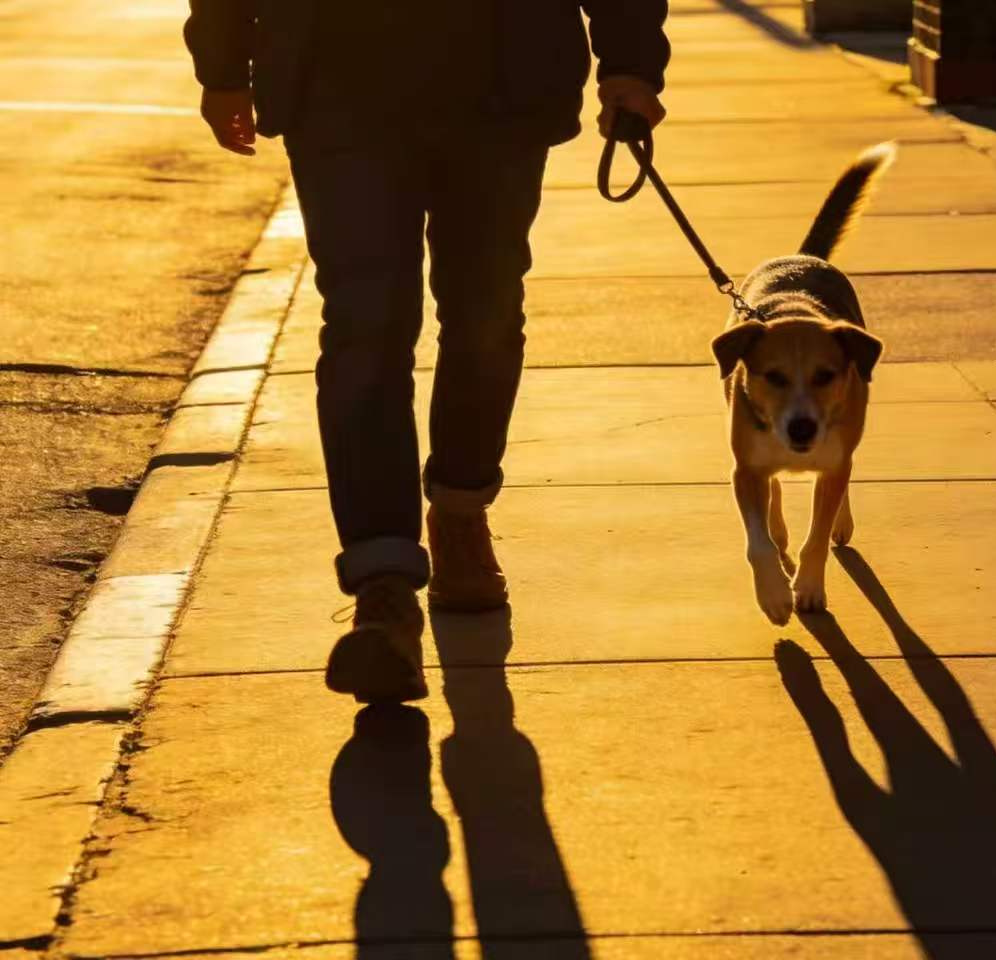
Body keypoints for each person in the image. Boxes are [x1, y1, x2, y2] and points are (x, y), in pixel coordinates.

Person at [185, 1, 670, 703]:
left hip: (502, 80)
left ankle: (461, 506)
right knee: (365, 324)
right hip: (337, 83)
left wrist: (629, 63)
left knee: (485, 312)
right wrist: (222, 62)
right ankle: (383, 586)